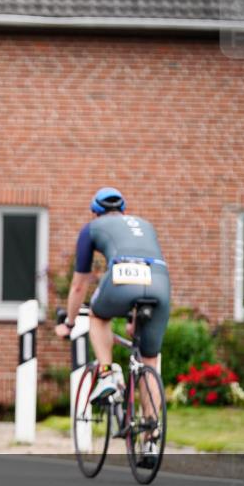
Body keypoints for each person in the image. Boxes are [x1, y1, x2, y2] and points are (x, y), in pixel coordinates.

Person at [55, 187, 170, 464]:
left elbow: (80, 284)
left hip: (120, 278)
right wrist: (134, 320)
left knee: (97, 315)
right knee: (149, 363)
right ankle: (151, 441)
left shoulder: (92, 228)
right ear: (124, 211)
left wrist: (69, 322)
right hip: (160, 283)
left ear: (94, 212)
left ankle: (106, 374)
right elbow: (142, 267)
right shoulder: (145, 225)